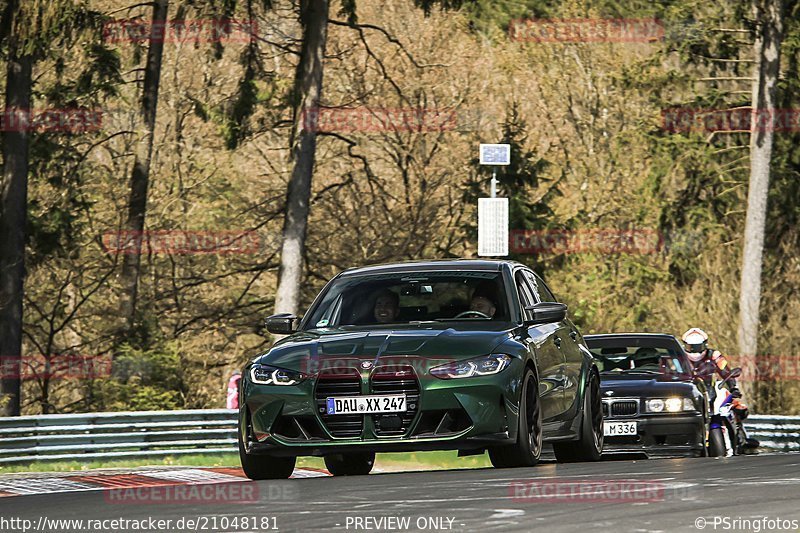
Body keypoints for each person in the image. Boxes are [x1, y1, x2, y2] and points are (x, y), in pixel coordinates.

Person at [682, 327, 759, 450]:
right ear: (685, 345)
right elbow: (669, 374)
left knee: (734, 405)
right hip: (689, 393)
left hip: (711, 389)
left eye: (697, 347)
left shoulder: (714, 355)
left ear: (704, 345)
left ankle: (741, 436)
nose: (694, 351)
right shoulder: (679, 357)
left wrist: (733, 387)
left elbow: (725, 370)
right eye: (691, 347)